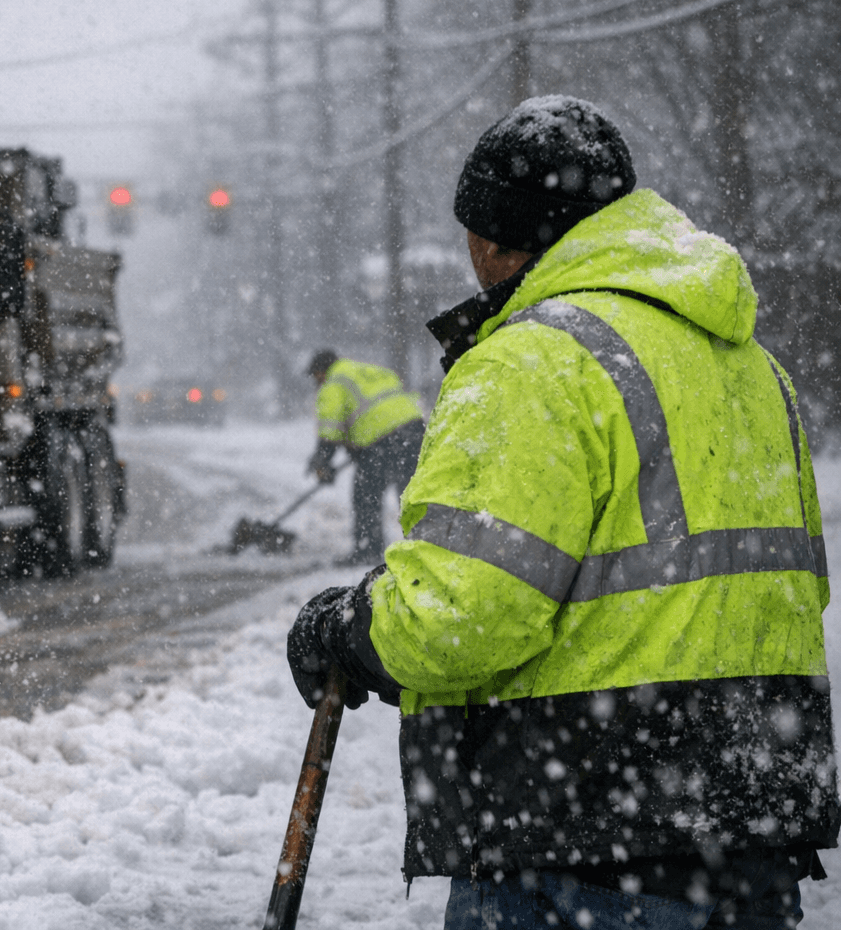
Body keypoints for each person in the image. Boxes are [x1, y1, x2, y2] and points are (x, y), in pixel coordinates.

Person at [287, 95, 837, 929]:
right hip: (751, 812)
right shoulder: (747, 360)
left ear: (488, 238)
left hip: (579, 829)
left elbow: (463, 614)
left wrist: (352, 631)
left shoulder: (534, 362)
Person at [305, 350, 424, 565]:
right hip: (415, 431)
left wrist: (322, 461)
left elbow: (331, 428)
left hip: (383, 440)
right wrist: (358, 447)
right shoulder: (367, 370)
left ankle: (368, 549)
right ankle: (429, 547)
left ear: (321, 371)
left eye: (315, 377)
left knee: (365, 495)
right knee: (414, 495)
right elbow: (379, 405)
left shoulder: (333, 383)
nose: (316, 382)